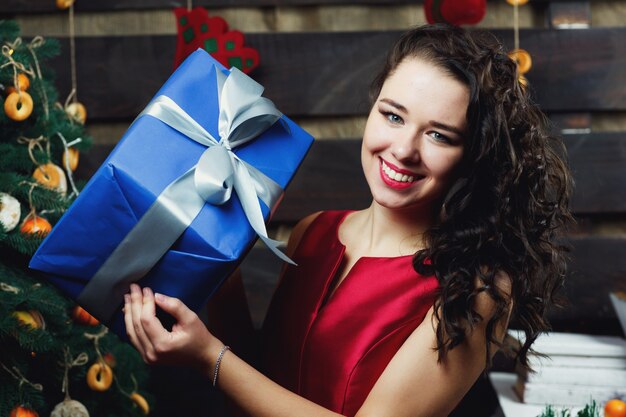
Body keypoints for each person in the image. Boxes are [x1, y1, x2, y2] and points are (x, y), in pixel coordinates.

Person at [124, 24, 572, 417]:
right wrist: (217, 264)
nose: (403, 149)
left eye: (439, 134)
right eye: (393, 116)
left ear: (473, 154)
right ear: (371, 109)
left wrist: (207, 356)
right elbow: (251, 389)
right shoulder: (312, 232)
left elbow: (223, 366)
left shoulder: (475, 288)